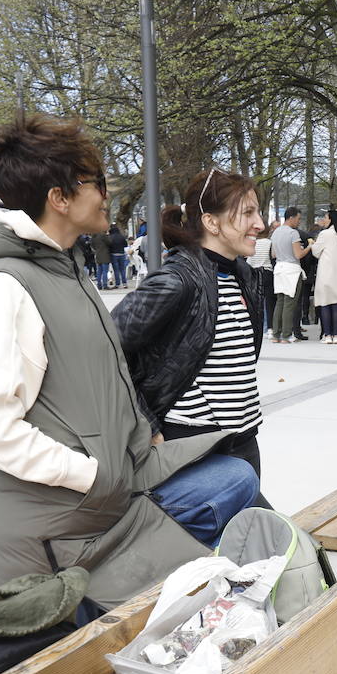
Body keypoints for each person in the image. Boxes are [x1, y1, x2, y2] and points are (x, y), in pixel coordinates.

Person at [0, 115, 259, 610]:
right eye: (98, 183)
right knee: (235, 497)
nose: (108, 194)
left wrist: (140, 432)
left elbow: (105, 374)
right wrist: (94, 477)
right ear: (60, 198)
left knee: (237, 480)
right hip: (64, 521)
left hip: (100, 493)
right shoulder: (2, 287)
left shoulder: (64, 270)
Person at [113, 167, 272, 503]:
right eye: (247, 213)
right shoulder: (177, 281)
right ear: (212, 223)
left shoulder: (243, 277)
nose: (260, 223)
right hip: (193, 447)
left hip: (243, 440)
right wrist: (147, 424)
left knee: (252, 547)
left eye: (258, 212)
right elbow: (104, 351)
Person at [310, 209, 337, 344]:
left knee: (324, 303)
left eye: (326, 217)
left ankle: (327, 335)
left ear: (331, 219)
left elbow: (316, 252)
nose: (324, 220)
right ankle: (336, 335)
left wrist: (312, 244)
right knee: (335, 305)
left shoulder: (325, 234)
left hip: (326, 273)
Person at [270, 207, 310, 343]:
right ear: (291, 218)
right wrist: (309, 247)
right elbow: (298, 254)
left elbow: (273, 254)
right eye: (298, 219)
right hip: (292, 269)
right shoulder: (293, 234)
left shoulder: (275, 233)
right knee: (289, 303)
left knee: (280, 302)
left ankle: (276, 335)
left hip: (279, 268)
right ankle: (286, 335)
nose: (299, 222)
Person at [90, 223, 112, 289]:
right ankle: (105, 285)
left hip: (98, 255)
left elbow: (92, 245)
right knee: (105, 271)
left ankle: (99, 285)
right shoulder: (103, 235)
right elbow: (110, 243)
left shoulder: (94, 236)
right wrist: (108, 235)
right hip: (105, 255)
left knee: (99, 271)